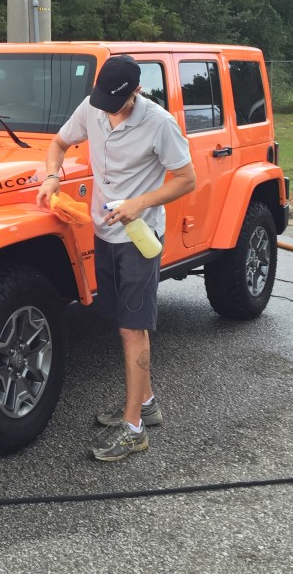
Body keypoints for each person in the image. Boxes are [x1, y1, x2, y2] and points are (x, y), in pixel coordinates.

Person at [36, 54, 196, 461]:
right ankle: (146, 404)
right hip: (104, 231)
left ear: (136, 92)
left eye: (115, 101)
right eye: (102, 99)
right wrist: (52, 175)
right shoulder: (94, 106)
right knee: (117, 322)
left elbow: (186, 179)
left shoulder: (159, 123)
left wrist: (139, 203)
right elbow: (58, 142)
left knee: (132, 329)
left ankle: (134, 429)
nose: (106, 108)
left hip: (138, 237)